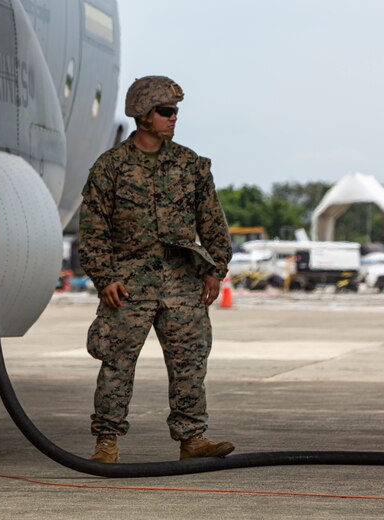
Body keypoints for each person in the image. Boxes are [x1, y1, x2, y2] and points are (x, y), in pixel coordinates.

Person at [79, 75, 235, 463]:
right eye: (166, 111)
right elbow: (93, 227)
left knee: (189, 363)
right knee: (116, 364)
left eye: (176, 111)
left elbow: (212, 222)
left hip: (182, 281)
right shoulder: (111, 167)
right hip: (129, 282)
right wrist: (104, 278)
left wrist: (216, 270)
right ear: (143, 115)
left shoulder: (190, 165)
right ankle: (107, 442)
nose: (173, 118)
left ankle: (192, 438)